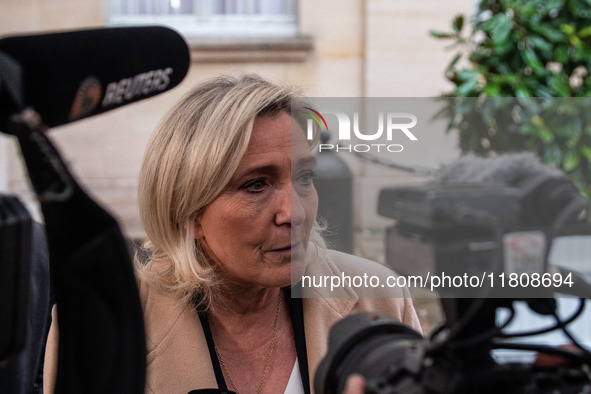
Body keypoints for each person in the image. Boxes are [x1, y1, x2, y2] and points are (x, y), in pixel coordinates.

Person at [136, 74, 421, 394]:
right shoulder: (114, 323)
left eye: (304, 176)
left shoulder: (378, 296)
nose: (295, 213)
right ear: (188, 211)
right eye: (256, 184)